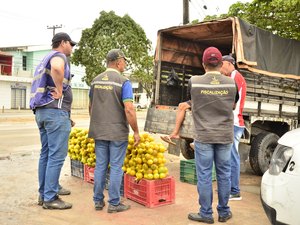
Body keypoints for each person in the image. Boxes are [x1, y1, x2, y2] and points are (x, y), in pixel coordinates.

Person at [187, 47, 238, 223]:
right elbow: (233, 104)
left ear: (203, 64)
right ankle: (224, 212)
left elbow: (192, 101)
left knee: (205, 175)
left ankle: (206, 214)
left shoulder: (194, 81)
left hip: (204, 137)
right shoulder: (231, 83)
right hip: (224, 136)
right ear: (221, 63)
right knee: (224, 174)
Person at [88, 49, 140, 213]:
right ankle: (114, 203)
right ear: (118, 62)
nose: (124, 64)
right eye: (124, 61)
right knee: (116, 167)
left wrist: (98, 123)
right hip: (117, 132)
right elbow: (129, 109)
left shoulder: (95, 81)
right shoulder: (123, 81)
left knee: (101, 166)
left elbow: (91, 106)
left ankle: (97, 201)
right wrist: (136, 131)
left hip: (99, 131)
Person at [30, 32, 77, 209]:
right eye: (70, 44)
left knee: (46, 154)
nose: (71, 48)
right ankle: (50, 198)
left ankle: (44, 194)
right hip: (54, 112)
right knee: (56, 156)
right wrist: (59, 89)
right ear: (62, 43)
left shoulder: (43, 59)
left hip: (43, 112)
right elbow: (58, 68)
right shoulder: (59, 56)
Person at [221, 55, 246, 201]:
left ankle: (235, 191)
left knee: (232, 156)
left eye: (222, 64)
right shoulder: (234, 76)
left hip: (234, 123)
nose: (220, 68)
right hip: (234, 123)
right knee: (228, 156)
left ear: (230, 64)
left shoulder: (235, 77)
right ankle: (229, 187)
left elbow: (230, 102)